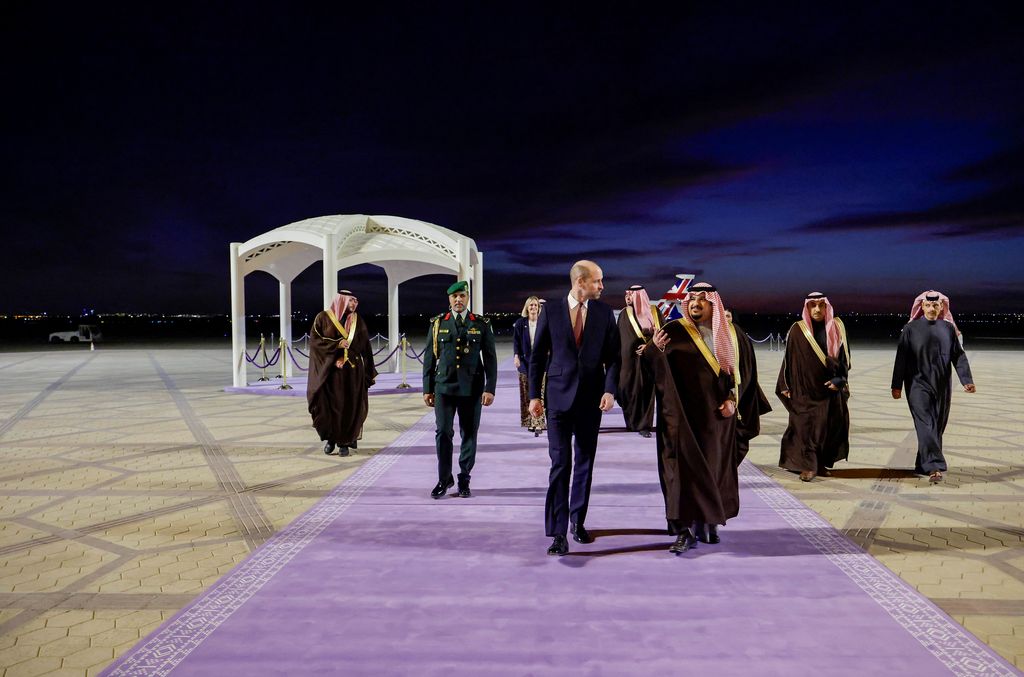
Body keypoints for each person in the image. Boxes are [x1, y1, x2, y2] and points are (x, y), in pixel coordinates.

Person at [648, 282, 768, 554]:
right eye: (692, 299)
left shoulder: (731, 335)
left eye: (703, 299)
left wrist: (732, 401)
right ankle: (683, 530)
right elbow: (652, 371)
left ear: (715, 304)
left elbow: (744, 376)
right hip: (681, 420)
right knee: (681, 475)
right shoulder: (673, 331)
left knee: (714, 473)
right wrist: (654, 349)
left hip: (716, 420)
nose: (696, 303)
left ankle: (710, 521)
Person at [529, 260, 620, 556]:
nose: (602, 286)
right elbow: (537, 356)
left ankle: (577, 522)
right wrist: (534, 396)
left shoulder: (605, 313)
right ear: (581, 281)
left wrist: (609, 390)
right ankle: (557, 533)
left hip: (591, 401)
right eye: (597, 281)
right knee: (560, 465)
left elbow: (614, 358)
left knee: (584, 464)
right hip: (557, 400)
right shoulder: (551, 310)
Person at [422, 281, 497, 498]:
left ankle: (464, 478)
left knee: (469, 434)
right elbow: (429, 358)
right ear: (449, 299)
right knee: (443, 433)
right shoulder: (438, 323)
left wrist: (489, 388)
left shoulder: (481, 323)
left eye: (462, 296)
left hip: (472, 388)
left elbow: (490, 359)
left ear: (467, 298)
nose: (458, 300)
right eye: (454, 297)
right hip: (443, 387)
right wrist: (427, 389)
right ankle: (444, 479)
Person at [891, 290, 975, 483]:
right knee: (925, 423)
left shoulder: (948, 328)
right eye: (928, 305)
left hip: (942, 385)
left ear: (941, 307)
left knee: (937, 426)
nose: (931, 309)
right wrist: (896, 385)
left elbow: (958, 356)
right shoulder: (910, 329)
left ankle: (922, 463)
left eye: (935, 305)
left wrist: (966, 380)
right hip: (917, 384)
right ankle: (934, 466)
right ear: (921, 307)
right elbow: (901, 358)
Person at [777, 292, 851, 481]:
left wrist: (840, 380)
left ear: (827, 307)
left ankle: (820, 463)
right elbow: (788, 359)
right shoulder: (797, 329)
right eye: (813, 305)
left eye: (821, 305)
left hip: (829, 391)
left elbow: (844, 358)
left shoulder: (837, 327)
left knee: (826, 428)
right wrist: (784, 384)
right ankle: (808, 466)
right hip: (804, 390)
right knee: (805, 428)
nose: (817, 309)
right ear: (807, 308)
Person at [307, 290, 377, 457]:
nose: (354, 304)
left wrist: (367, 369)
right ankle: (331, 439)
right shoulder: (322, 318)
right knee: (330, 406)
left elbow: (365, 346)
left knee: (349, 406)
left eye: (356, 301)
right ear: (341, 301)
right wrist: (336, 346)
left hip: (352, 372)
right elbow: (315, 342)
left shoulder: (357, 321)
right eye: (351, 301)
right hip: (330, 373)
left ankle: (344, 441)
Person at [616, 284, 661, 438]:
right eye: (626, 295)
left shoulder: (654, 312)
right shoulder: (624, 314)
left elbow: (662, 335)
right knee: (627, 390)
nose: (628, 298)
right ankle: (631, 423)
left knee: (646, 391)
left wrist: (649, 347)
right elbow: (621, 339)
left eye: (631, 295)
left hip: (648, 361)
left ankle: (644, 425)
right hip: (628, 362)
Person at [512, 296, 546, 435]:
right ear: (527, 307)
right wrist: (516, 356)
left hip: (541, 364)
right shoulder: (521, 323)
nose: (533, 308)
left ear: (538, 308)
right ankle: (528, 421)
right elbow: (516, 342)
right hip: (525, 363)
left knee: (540, 393)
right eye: (531, 305)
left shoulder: (544, 323)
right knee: (526, 393)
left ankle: (538, 422)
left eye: (535, 305)